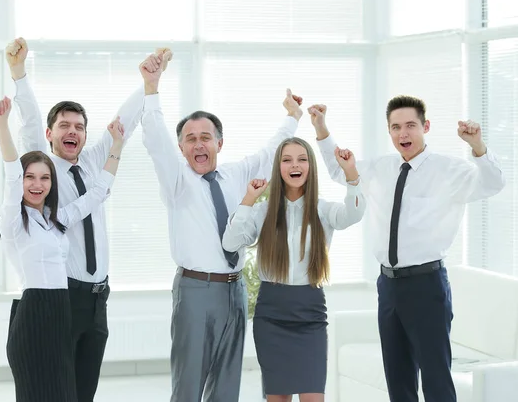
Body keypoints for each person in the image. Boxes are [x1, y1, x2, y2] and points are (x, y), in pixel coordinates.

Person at [4, 38, 170, 401]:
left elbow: (123, 122)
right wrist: (19, 75)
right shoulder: (44, 170)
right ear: (50, 136)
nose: (72, 132)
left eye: (79, 126)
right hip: (65, 295)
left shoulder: (94, 163)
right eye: (64, 126)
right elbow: (30, 120)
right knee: (57, 391)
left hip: (98, 298)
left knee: (84, 392)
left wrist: (148, 84)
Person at [311, 96, 506, 402]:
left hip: (427, 286)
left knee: (436, 376)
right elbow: (340, 171)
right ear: (389, 132)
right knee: (398, 377)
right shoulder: (379, 168)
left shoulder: (449, 170)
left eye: (411, 126)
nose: (403, 134)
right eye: (396, 127)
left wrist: (477, 146)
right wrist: (321, 127)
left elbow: (493, 183)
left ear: (425, 127)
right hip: (388, 285)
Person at [138, 51, 303, 401]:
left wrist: (292, 117)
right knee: (189, 384)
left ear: (219, 143)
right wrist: (151, 87)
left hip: (235, 290)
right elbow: (155, 140)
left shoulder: (236, 174)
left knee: (227, 384)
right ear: (182, 147)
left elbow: (271, 152)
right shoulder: (177, 181)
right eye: (190, 138)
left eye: (206, 137)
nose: (199, 144)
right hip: (196, 291)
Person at [0, 96, 125, 402]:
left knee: (68, 395)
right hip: (34, 316)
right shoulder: (13, 220)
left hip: (62, 312)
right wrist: (1, 124)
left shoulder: (55, 221)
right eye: (30, 178)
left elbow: (98, 193)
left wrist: (116, 144)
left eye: (45, 178)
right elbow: (12, 171)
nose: (37, 184)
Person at [222, 137, 365, 402]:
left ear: (311, 166)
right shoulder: (263, 211)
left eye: (302, 159)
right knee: (278, 398)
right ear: (278, 167)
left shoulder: (323, 210)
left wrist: (351, 175)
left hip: (310, 313)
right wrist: (248, 200)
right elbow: (230, 242)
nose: (294, 165)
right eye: (287, 160)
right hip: (272, 314)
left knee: (313, 396)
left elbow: (354, 214)